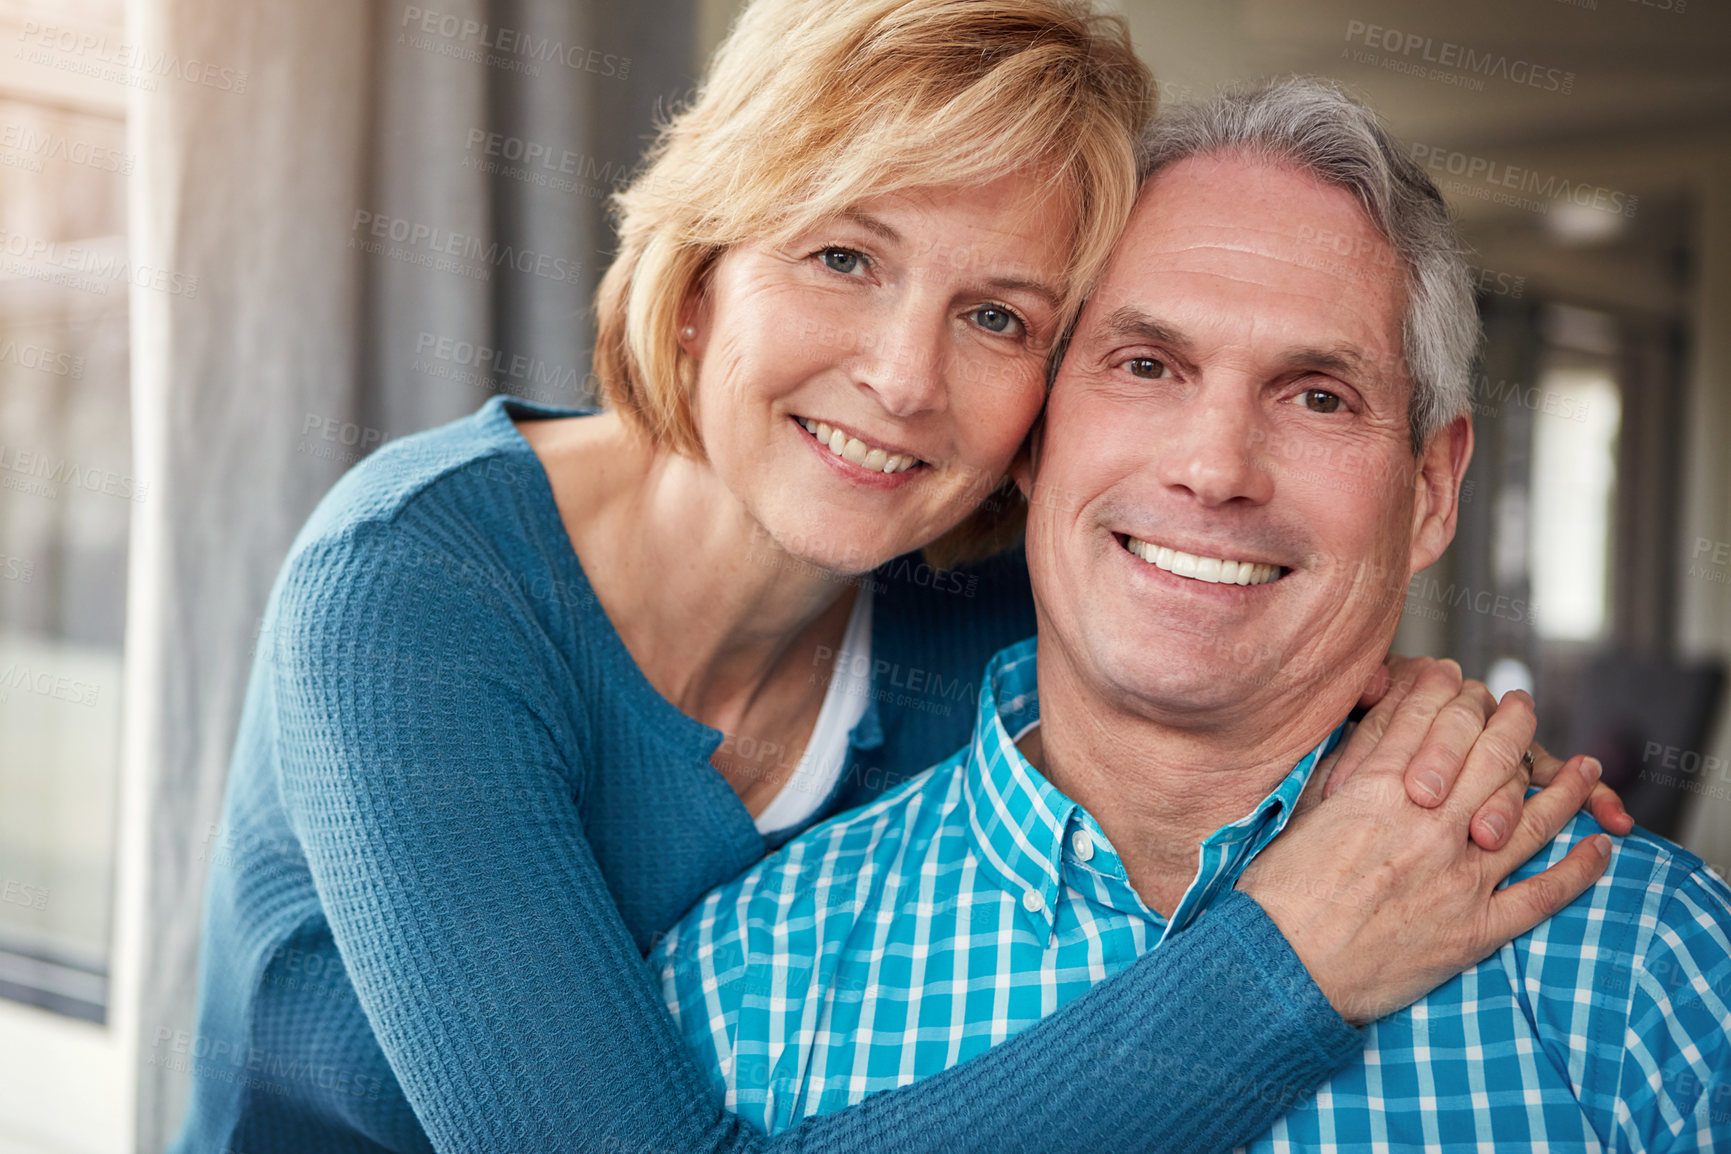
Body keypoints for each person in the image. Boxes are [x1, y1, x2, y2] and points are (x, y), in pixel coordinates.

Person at [170, 4, 1626, 1150]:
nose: (901, 377)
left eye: (997, 314)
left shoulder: (968, 590)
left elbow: (1233, 624)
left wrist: (1420, 747)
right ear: (702, 269)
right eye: (843, 256)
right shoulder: (411, 592)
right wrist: (1286, 959)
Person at [651, 78, 1731, 1151]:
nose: (1216, 469)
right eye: (1146, 364)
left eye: (1318, 394)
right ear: (1034, 437)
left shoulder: (1647, 967)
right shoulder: (753, 976)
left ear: (1433, 492)